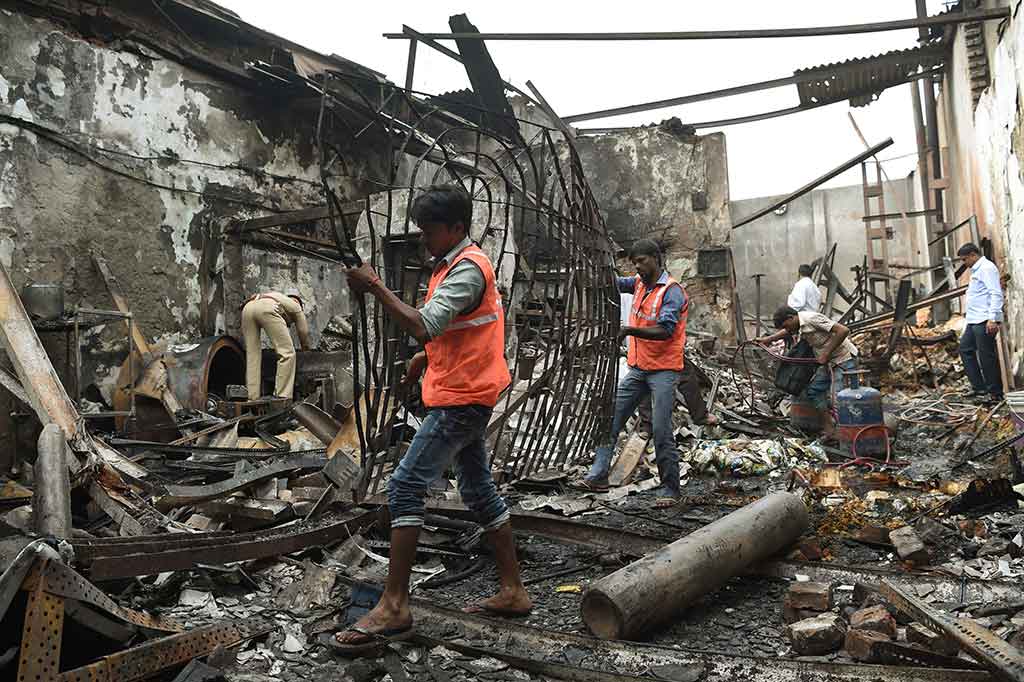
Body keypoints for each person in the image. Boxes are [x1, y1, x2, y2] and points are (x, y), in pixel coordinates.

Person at [333, 184, 530, 655]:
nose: (424, 238)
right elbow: (459, 331)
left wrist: (376, 285)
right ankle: (513, 590)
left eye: (430, 230)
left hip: (462, 399)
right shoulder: (453, 265)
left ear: (456, 228)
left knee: (404, 486)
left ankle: (395, 604)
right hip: (464, 389)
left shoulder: (466, 269)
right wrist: (427, 357)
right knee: (478, 489)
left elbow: (426, 323)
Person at [578, 239, 688, 508]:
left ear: (656, 258)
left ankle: (671, 489)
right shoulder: (638, 283)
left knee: (661, 430)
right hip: (639, 367)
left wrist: (628, 330)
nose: (637, 266)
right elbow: (613, 283)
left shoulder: (671, 292)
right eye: (634, 262)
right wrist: (592, 271)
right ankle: (598, 475)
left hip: (663, 370)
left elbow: (666, 330)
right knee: (611, 418)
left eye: (642, 261)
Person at [756, 306, 859, 440]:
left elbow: (843, 330)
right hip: (827, 362)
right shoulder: (798, 324)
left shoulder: (812, 319)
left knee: (841, 399)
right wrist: (768, 340)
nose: (787, 330)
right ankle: (830, 429)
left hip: (844, 359)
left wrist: (826, 352)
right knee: (814, 391)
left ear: (791, 317)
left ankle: (850, 437)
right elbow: (787, 332)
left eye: (786, 325)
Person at [240, 288, 310, 400]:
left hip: (247, 309)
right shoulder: (296, 307)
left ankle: (252, 397)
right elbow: (303, 332)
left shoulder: (276, 296)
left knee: (252, 355)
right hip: (267, 308)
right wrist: (305, 348)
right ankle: (282, 395)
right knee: (287, 354)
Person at [958, 242, 1005, 402]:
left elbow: (995, 293)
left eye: (965, 259)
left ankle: (995, 393)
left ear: (973, 255)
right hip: (974, 320)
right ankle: (980, 389)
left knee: (987, 357)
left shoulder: (986, 268)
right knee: (965, 349)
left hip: (985, 319)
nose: (964, 263)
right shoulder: (978, 270)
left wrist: (993, 319)